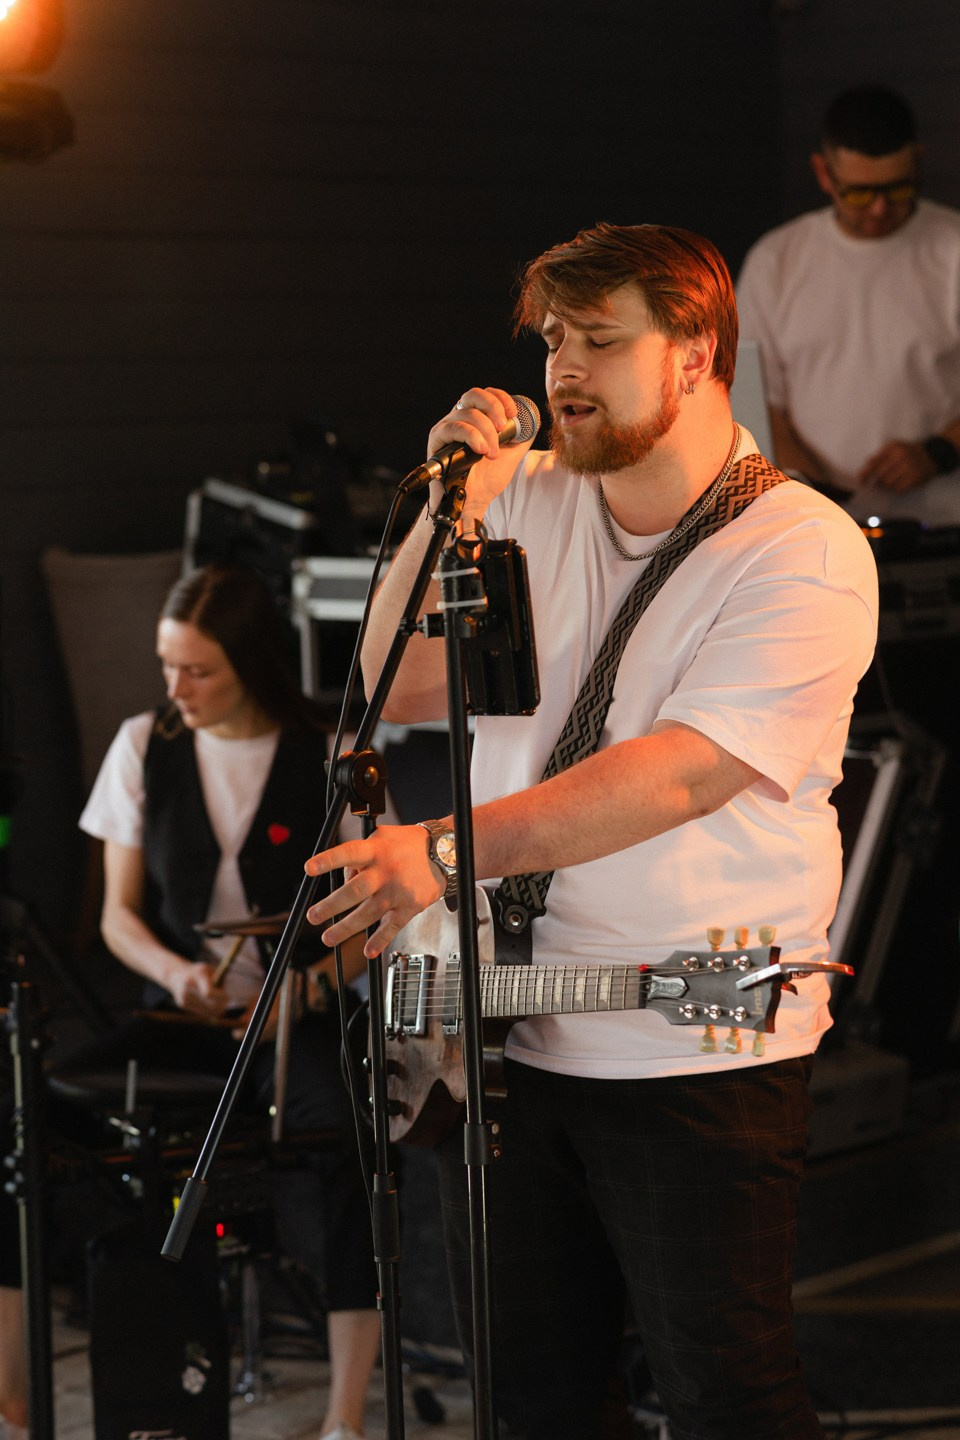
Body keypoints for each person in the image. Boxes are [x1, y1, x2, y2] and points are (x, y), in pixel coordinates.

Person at [300, 222, 879, 1439]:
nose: (564, 367)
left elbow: (676, 775)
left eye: (601, 340)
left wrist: (444, 851)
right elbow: (391, 687)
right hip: (504, 1033)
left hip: (690, 1050)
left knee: (725, 1399)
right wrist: (442, 502)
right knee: (531, 1401)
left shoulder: (801, 546)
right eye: (554, 338)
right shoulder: (526, 499)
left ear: (694, 353)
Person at [57, 563, 380, 1440]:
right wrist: (175, 976)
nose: (176, 688)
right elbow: (119, 919)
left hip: (297, 1024)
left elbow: (367, 915)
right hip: (185, 1021)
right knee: (40, 1110)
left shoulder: (328, 752)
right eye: (167, 666)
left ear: (249, 661)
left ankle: (344, 1416)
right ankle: (27, 1396)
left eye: (197, 670)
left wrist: (303, 991)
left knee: (358, 1131)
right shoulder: (142, 744)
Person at [736, 84, 960, 527]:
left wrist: (936, 452)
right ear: (824, 173)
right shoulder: (777, 260)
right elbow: (757, 401)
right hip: (815, 524)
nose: (879, 209)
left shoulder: (952, 247)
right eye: (858, 193)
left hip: (942, 522)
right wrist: (813, 490)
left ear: (918, 159)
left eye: (897, 190)